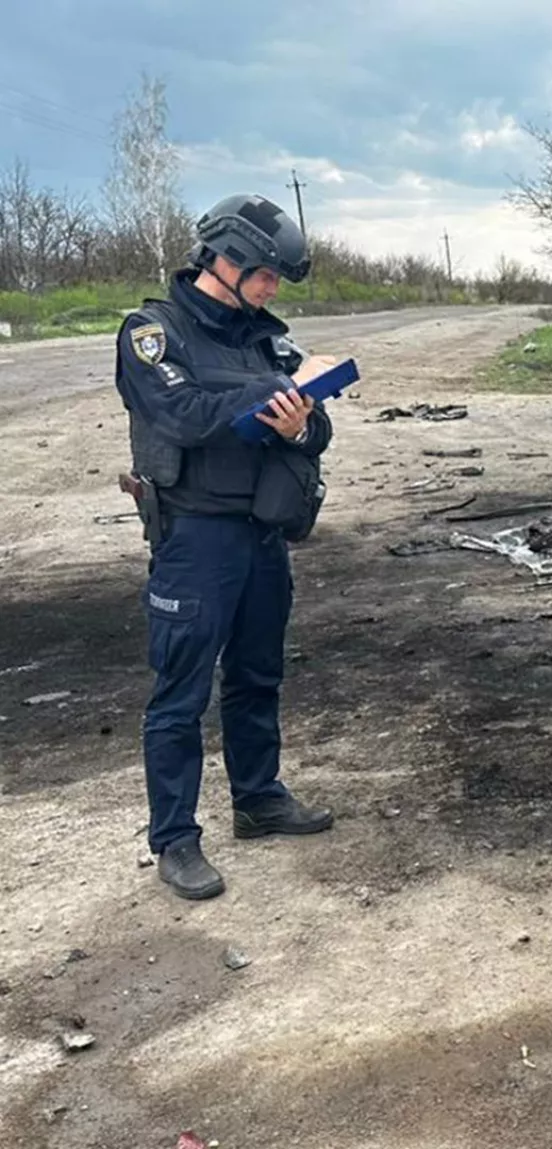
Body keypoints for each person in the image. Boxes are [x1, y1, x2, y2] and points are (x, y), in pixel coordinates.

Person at [115, 193, 340, 900]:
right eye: (265, 274)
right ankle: (175, 839)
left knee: (257, 675)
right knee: (180, 692)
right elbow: (180, 413)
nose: (272, 288)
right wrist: (270, 395)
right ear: (226, 259)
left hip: (263, 532)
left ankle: (259, 798)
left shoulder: (267, 340)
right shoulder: (154, 332)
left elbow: (318, 430)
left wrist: (300, 423)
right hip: (195, 536)